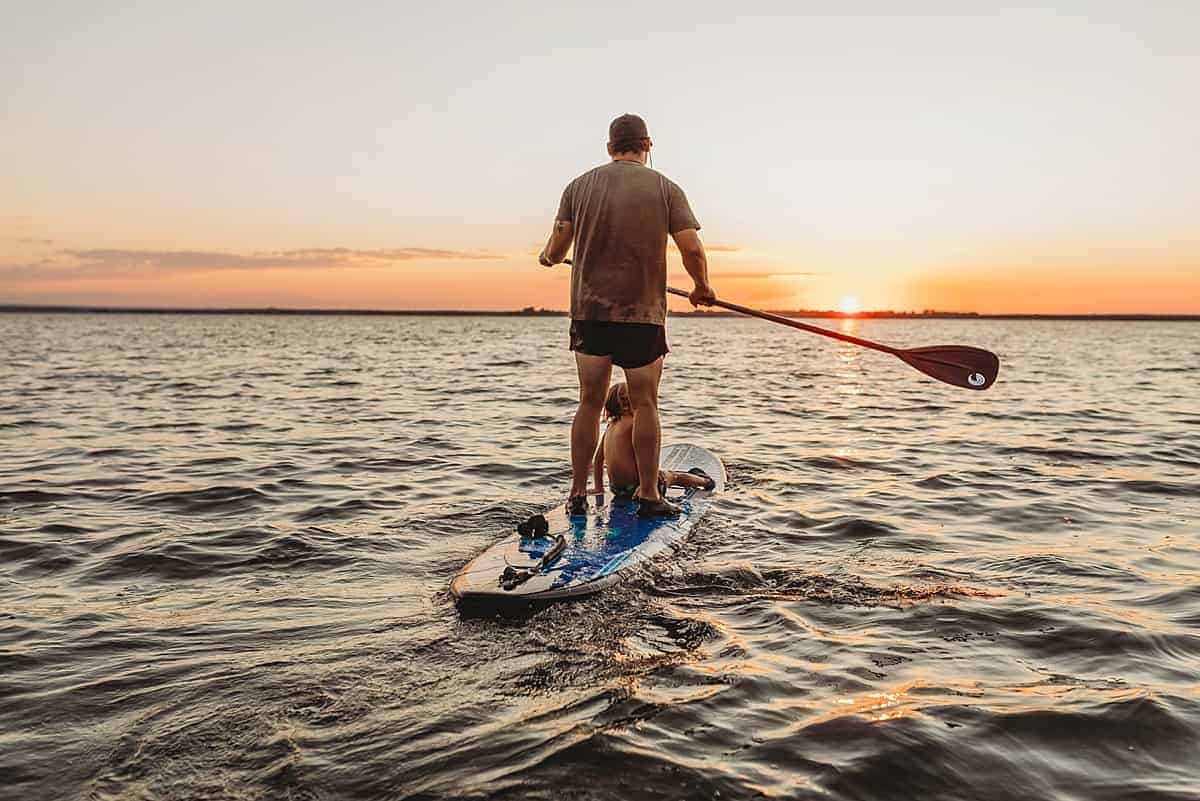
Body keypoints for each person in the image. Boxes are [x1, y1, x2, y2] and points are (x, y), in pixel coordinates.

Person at [538, 113, 716, 517]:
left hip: (590, 312)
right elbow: (692, 250)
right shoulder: (666, 188)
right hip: (642, 315)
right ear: (647, 145)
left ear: (609, 148)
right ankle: (650, 495)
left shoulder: (577, 186)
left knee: (589, 402)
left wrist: (549, 258)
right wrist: (702, 287)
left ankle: (578, 494)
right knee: (646, 404)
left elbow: (558, 244)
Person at [591, 383, 716, 499]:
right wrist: (646, 486)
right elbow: (646, 457)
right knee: (672, 476)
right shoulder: (635, 424)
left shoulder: (610, 427)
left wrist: (599, 487)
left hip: (617, 489)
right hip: (641, 488)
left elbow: (598, 460)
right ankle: (705, 481)